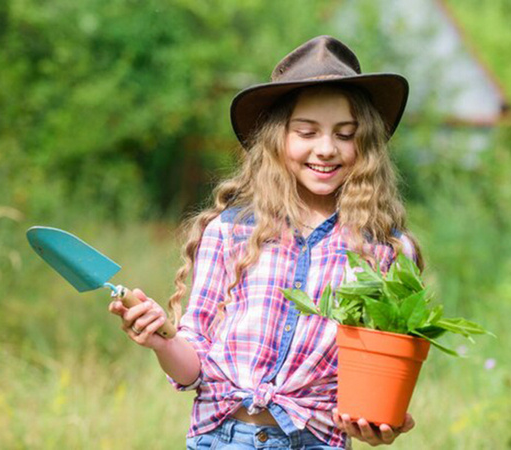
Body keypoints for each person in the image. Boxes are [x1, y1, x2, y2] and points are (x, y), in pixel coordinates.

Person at [109, 35, 423, 449]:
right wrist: (161, 339)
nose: (326, 149)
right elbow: (193, 370)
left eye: (345, 134)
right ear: (277, 139)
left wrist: (380, 423)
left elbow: (379, 372)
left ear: (365, 145)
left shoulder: (384, 250)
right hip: (221, 438)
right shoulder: (232, 230)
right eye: (306, 132)